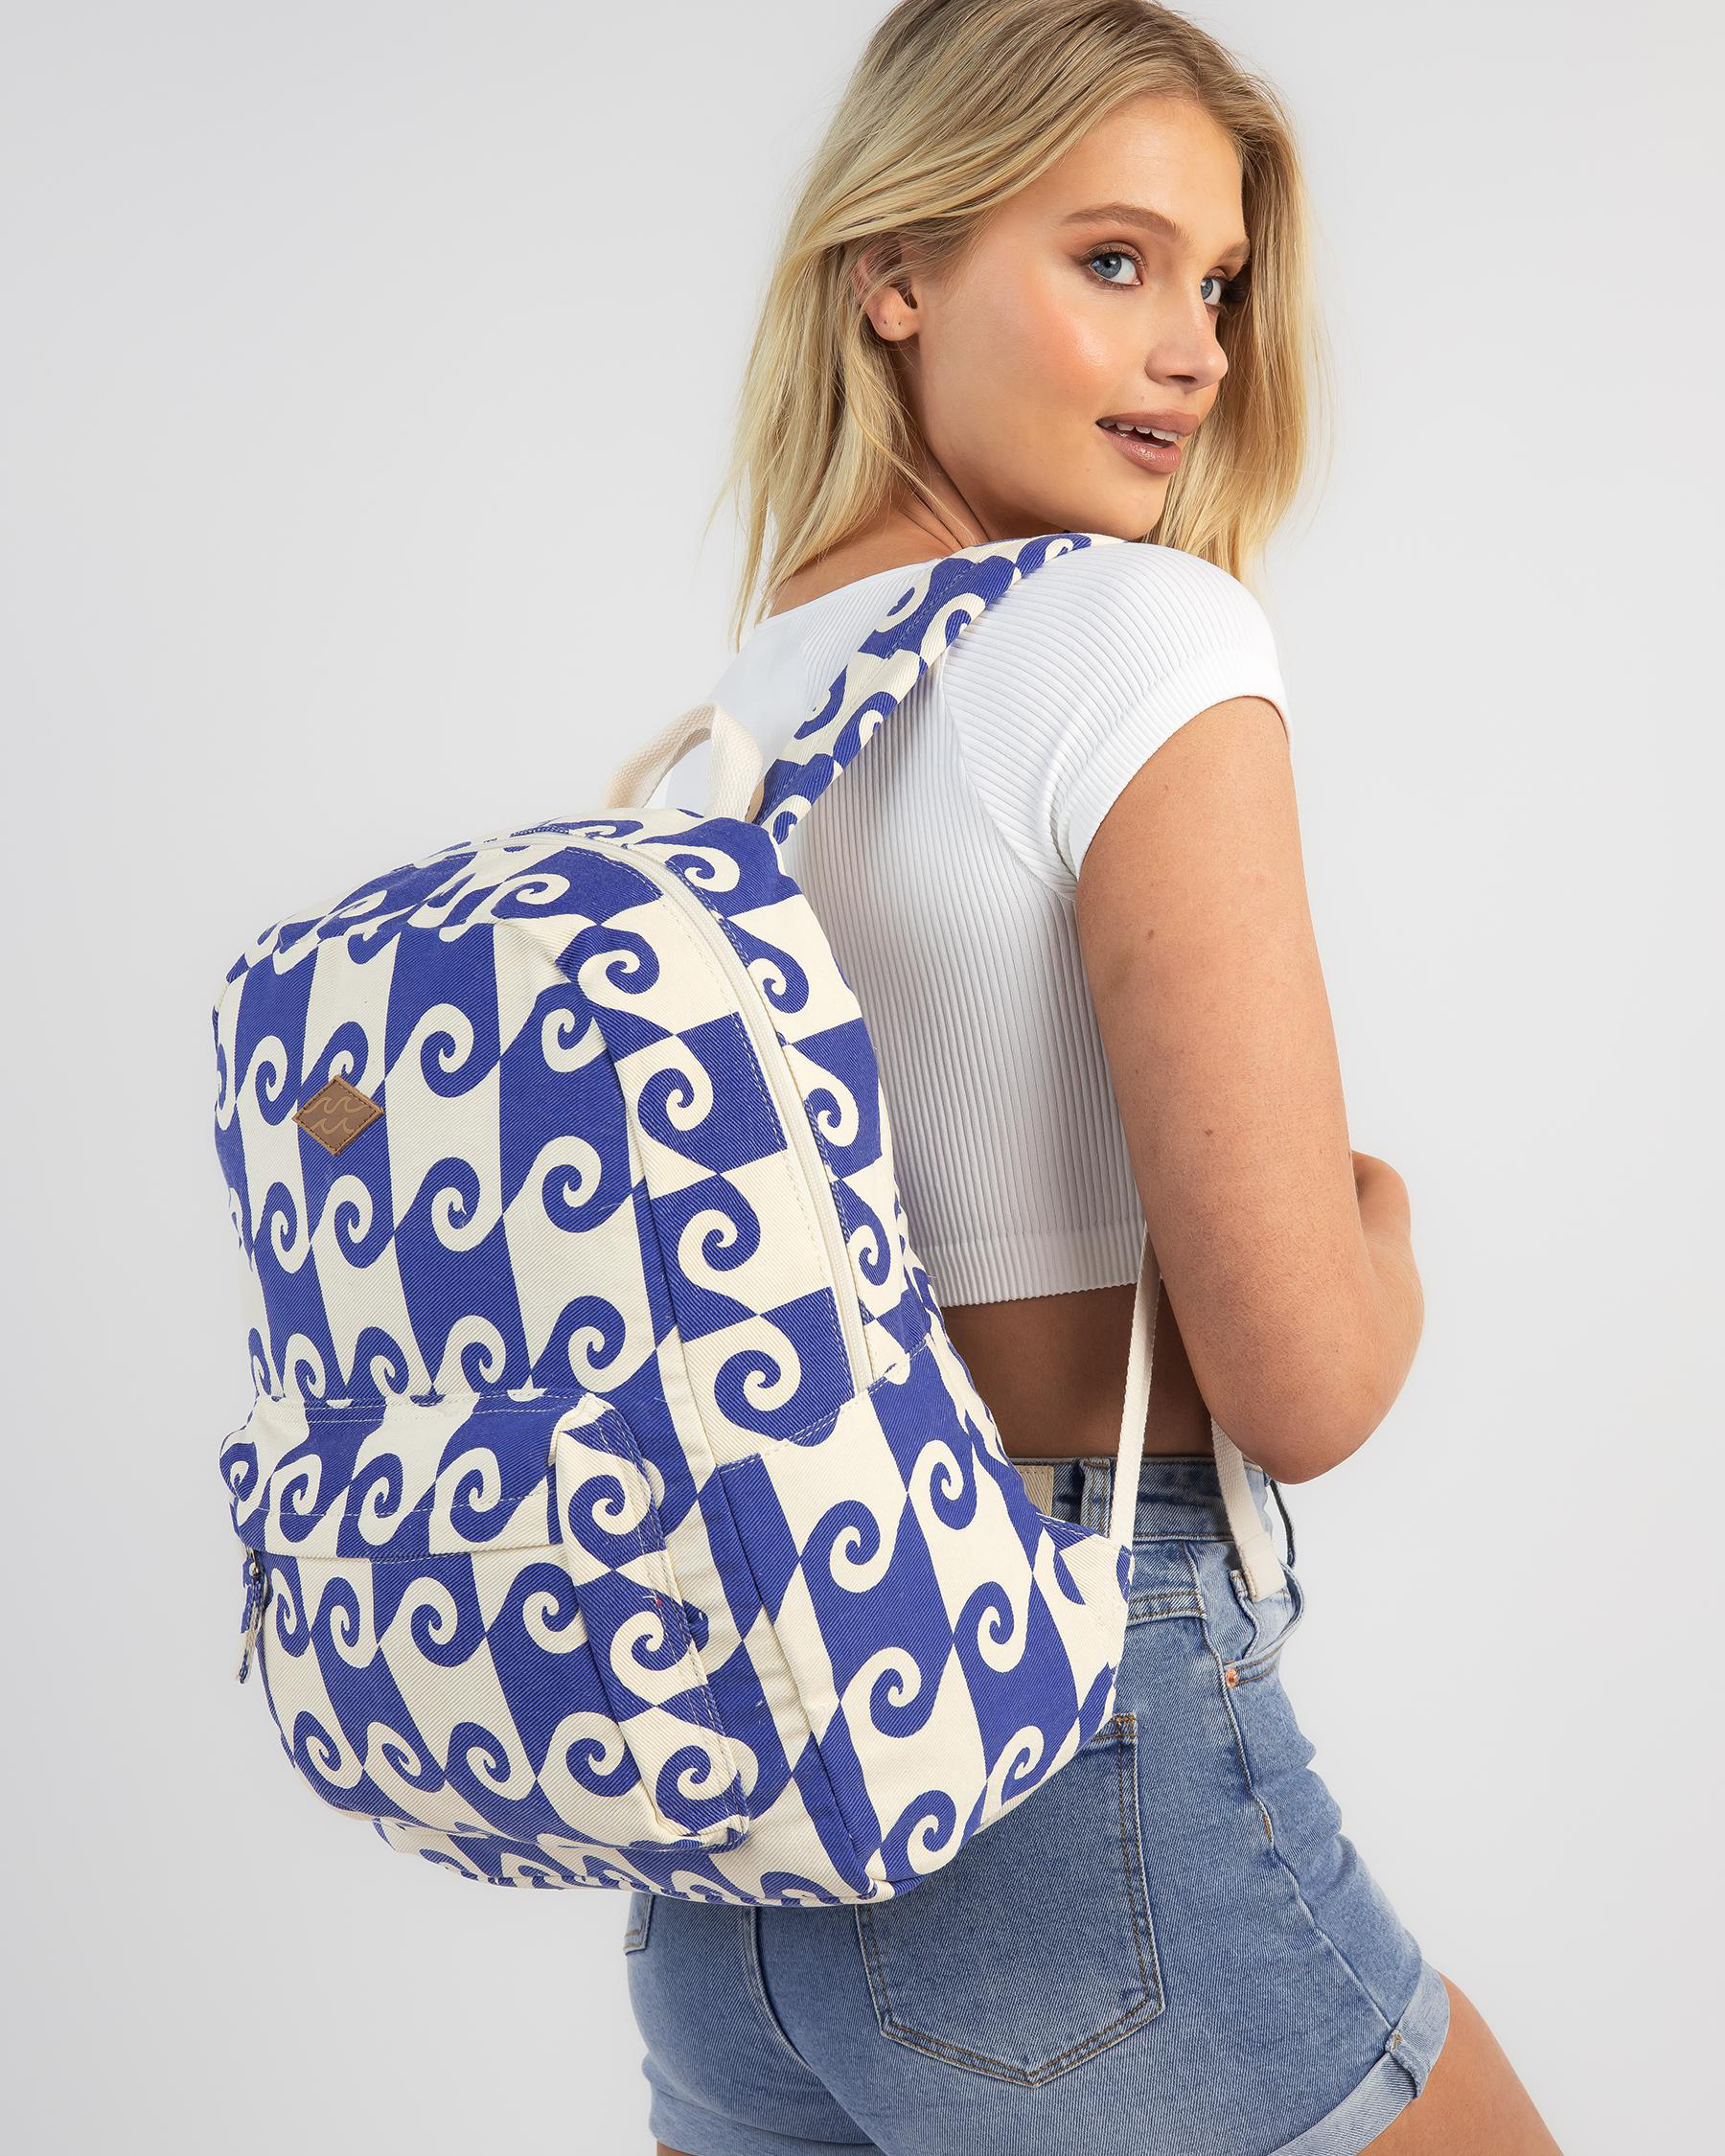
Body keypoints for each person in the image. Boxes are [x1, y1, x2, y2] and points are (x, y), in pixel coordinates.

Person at [627, 3, 1563, 2150]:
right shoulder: (1138, 636)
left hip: (726, 1849)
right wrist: (1384, 1231)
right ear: (896, 268)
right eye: (1114, 260)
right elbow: (1304, 1381)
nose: (1195, 351)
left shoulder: (730, 736)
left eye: (1216, 284)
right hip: (1053, 1757)